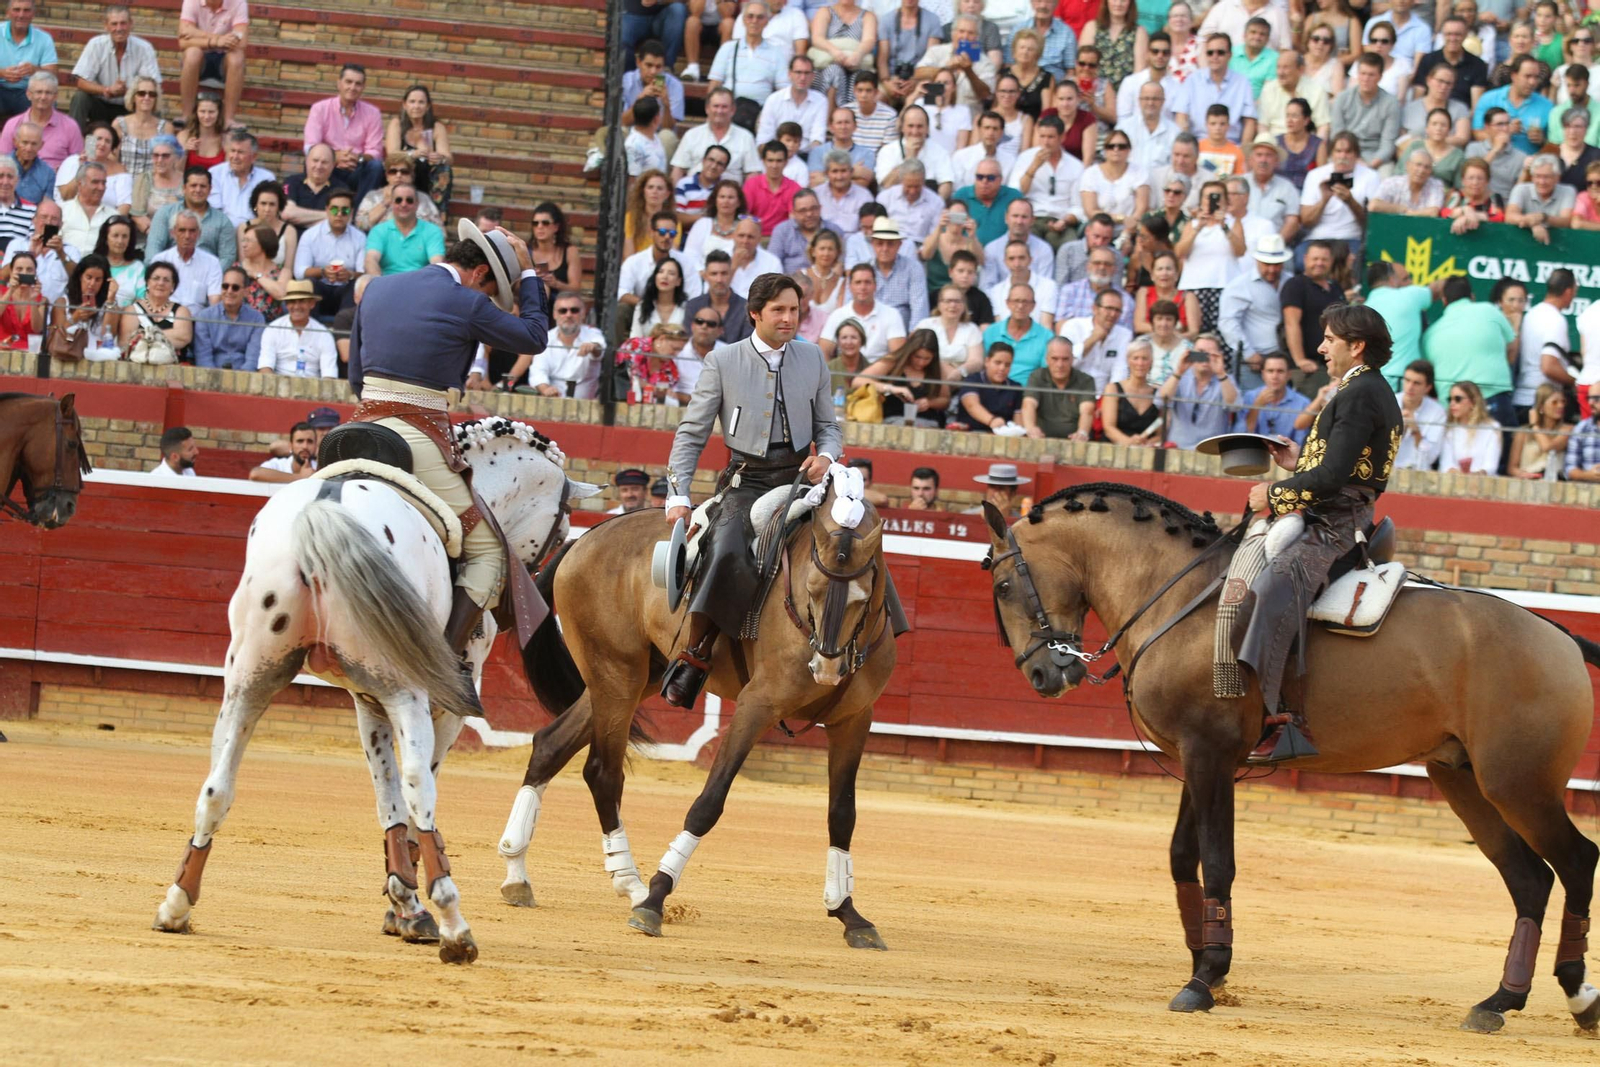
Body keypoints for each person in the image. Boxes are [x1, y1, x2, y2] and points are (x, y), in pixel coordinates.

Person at [347, 220, 547, 712]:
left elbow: (354, 377)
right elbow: (534, 336)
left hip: (355, 428)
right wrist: (528, 274)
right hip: (417, 435)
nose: (489, 299)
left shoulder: (377, 287)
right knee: (487, 552)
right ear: (480, 273)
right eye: (491, 289)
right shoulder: (466, 301)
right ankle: (439, 665)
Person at [659, 272, 842, 706]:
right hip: (748, 481)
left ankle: (872, 640)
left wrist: (826, 456)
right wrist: (678, 494)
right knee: (725, 548)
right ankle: (696, 653)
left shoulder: (812, 357)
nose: (789, 318)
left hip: (802, 479)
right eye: (779, 310)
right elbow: (692, 433)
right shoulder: (723, 361)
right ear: (755, 313)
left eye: (794, 310)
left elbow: (828, 426)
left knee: (853, 536)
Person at [1236, 304, 1402, 762]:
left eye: (1330, 339)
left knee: (1271, 590)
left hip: (1335, 522)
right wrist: (1298, 463)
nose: (1321, 347)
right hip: (1339, 513)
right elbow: (1339, 467)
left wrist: (1275, 493)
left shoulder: (1359, 392)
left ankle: (1280, 719)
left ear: (1357, 345)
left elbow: (1331, 480)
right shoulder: (1364, 388)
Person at [1422, 275, 1516, 427]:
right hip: (1492, 398)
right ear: (1472, 296)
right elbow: (1512, 347)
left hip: (1453, 407)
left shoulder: (1429, 335)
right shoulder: (1489, 310)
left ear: (1444, 300)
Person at [1218, 233, 1290, 390]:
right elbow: (1227, 322)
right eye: (1267, 264)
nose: (1272, 269)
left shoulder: (1290, 281)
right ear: (1257, 261)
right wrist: (1248, 353)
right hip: (1254, 359)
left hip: (1285, 357)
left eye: (1277, 264)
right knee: (1253, 401)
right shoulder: (1239, 286)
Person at [303, 65, 385, 202]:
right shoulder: (320, 109)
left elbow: (375, 151)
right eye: (348, 82)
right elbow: (310, 146)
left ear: (363, 87)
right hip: (328, 167)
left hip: (356, 168)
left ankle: (360, 211)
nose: (353, 87)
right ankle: (314, 205)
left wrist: (356, 158)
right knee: (312, 161)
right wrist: (335, 157)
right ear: (339, 83)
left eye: (358, 84)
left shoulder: (373, 113)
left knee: (376, 166)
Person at [70, 5, 160, 130]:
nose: (119, 29)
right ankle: (73, 139)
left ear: (130, 24)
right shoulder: (96, 45)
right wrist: (106, 90)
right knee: (80, 97)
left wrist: (129, 90)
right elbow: (81, 82)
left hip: (131, 108)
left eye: (123, 23)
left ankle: (152, 140)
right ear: (106, 25)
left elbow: (153, 85)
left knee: (151, 101)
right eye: (114, 24)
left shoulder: (144, 48)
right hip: (100, 106)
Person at [1298, 132, 1375, 267]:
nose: (1342, 156)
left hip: (1351, 238)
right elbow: (1306, 221)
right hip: (1318, 238)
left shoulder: (1370, 176)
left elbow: (1370, 223)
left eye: (1348, 152)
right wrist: (1324, 200)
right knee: (1300, 261)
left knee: (1356, 264)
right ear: (1331, 154)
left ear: (1356, 155)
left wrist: (1350, 201)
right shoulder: (1315, 175)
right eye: (1338, 151)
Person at [1513, 268, 1577, 425]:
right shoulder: (1555, 320)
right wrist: (1575, 382)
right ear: (1568, 291)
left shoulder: (1531, 314)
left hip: (1521, 399)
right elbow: (1548, 366)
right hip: (1541, 403)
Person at [853, 328, 949, 426]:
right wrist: (891, 388)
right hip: (894, 419)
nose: (921, 362)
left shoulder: (937, 368)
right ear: (910, 351)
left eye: (927, 359)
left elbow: (945, 400)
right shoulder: (893, 361)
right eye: (917, 357)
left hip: (927, 421)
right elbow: (858, 381)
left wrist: (929, 403)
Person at [1174, 32, 1258, 145]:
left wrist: (1242, 151)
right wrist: (1187, 145)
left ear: (1229, 55)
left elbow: (1249, 121)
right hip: (1198, 144)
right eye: (1210, 53)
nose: (1215, 56)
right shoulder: (1192, 80)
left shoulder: (1242, 83)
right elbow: (1181, 116)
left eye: (1220, 52)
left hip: (1232, 145)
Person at [1158, 331, 1239, 447]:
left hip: (1212, 449)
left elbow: (1234, 406)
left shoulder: (1226, 379)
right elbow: (1162, 400)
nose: (1205, 358)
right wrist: (1179, 372)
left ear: (1219, 356)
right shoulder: (1179, 376)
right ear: (1191, 353)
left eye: (1211, 354)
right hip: (1178, 448)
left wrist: (1221, 373)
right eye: (1200, 353)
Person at [1363, 261, 1433, 387]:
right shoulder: (1410, 295)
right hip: (1406, 383)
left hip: (1373, 382)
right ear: (1392, 279)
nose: (1410, 282)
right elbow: (1439, 288)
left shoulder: (1362, 310)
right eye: (1406, 279)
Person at [177, 0, 247, 125]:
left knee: (237, 57)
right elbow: (183, 42)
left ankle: (228, 119)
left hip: (224, 59)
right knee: (192, 53)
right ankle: (187, 115)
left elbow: (242, 42)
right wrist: (216, 41)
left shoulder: (238, 2)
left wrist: (196, 33)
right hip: (200, 58)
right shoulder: (191, 1)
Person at [385, 85, 452, 211]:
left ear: (427, 106)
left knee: (444, 170)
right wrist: (413, 154)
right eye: (412, 102)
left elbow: (448, 158)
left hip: (428, 173)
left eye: (421, 102)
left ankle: (437, 213)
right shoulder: (397, 124)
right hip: (405, 171)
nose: (416, 106)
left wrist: (440, 158)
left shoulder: (437, 127)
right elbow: (392, 155)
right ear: (404, 104)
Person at [149, 166, 236, 263]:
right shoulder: (165, 213)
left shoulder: (222, 221)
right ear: (184, 188)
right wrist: (159, 270)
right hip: (170, 269)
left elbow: (227, 257)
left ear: (210, 189)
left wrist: (213, 271)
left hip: (207, 270)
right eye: (193, 185)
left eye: (203, 186)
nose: (198, 190)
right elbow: (153, 247)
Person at [819, 261, 905, 360]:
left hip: (879, 368)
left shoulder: (892, 314)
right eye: (858, 282)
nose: (863, 287)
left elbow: (897, 355)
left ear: (875, 286)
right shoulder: (838, 315)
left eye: (867, 282)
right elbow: (823, 351)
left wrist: (871, 370)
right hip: (845, 368)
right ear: (850, 287)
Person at [1473, 54, 1551, 156]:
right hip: (1495, 159)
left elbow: (1554, 144)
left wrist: (1542, 140)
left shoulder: (1547, 105)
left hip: (1530, 161)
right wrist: (1505, 132)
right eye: (1527, 76)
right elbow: (1477, 133)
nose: (1532, 82)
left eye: (1536, 77)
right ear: (1513, 76)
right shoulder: (1489, 99)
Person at [0, 72, 80, 169]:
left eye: (48, 93)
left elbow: (77, 163)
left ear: (55, 96)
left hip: (57, 177)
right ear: (29, 94)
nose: (43, 97)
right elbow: (3, 162)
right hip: (21, 176)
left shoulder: (70, 126)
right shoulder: (12, 124)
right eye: (38, 92)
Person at [190, 264, 263, 370]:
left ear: (246, 292)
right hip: (211, 376)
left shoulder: (256, 319)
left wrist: (240, 378)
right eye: (225, 286)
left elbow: (252, 360)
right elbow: (204, 359)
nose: (229, 291)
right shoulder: (204, 317)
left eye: (235, 287)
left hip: (244, 376)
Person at [363, 183, 444, 276]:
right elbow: (371, 260)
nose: (404, 204)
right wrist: (378, 281)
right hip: (386, 281)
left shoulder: (432, 231)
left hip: (419, 282)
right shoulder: (378, 231)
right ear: (392, 204)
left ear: (417, 204)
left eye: (409, 200)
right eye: (398, 200)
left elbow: (437, 263)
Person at [1022, 335, 1095, 439]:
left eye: (1065, 359)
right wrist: (1031, 428)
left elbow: (1087, 411)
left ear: (1072, 359)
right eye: (1054, 359)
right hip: (1041, 438)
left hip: (1074, 441)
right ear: (1047, 359)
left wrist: (1082, 433)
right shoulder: (1037, 377)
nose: (1060, 365)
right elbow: (1029, 404)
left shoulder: (1086, 381)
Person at [1, 199, 74, 303]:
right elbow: (3, 276)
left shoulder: (70, 250)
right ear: (34, 220)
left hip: (55, 310)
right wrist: (30, 255)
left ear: (61, 224)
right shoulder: (17, 244)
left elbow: (77, 279)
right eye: (44, 217)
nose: (48, 222)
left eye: (54, 219)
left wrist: (61, 253)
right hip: (21, 307)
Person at [150, 209, 222, 314]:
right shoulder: (160, 260)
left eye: (192, 231)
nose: (187, 236)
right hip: (164, 317)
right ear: (173, 233)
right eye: (182, 230)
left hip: (197, 320)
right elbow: (152, 297)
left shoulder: (212, 263)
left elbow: (215, 302)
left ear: (199, 233)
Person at [116, 259, 192, 355]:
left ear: (173, 286)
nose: (161, 283)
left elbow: (184, 337)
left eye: (166, 280)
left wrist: (143, 336)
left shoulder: (181, 311)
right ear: (147, 282)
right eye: (156, 278)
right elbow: (125, 342)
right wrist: (166, 338)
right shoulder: (132, 310)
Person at [982, 282, 1053, 383]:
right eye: (1016, 301)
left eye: (1025, 302)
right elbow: (983, 366)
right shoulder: (991, 332)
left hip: (1028, 390)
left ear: (1033, 306)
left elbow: (1046, 373)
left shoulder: (1047, 337)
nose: (1020, 306)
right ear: (1007, 303)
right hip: (994, 388)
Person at [1413, 16, 1491, 108]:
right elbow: (1418, 96)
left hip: (1462, 114)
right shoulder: (1428, 60)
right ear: (1442, 35)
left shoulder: (1478, 65)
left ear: (1466, 35)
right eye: (1448, 34)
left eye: (1457, 34)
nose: (1453, 38)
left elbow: (1476, 105)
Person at [1234, 351, 1309, 442]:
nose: (1275, 376)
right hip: (1254, 449)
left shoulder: (1302, 403)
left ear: (1289, 375)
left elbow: (1301, 442)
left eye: (1280, 371)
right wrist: (1256, 406)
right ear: (1263, 374)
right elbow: (1239, 436)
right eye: (1270, 371)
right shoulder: (1250, 397)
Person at [0, 1, 55, 123]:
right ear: (8, 13)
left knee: (45, 99)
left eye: (26, 10)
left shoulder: (44, 38)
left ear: (33, 14)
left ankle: (45, 135)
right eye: (16, 10)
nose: (21, 15)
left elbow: (52, 75)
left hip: (28, 92)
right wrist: (2, 73)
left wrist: (35, 71)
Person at [952, 341, 1023, 431]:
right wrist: (992, 421)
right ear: (987, 361)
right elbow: (972, 405)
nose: (1002, 368)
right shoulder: (972, 380)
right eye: (998, 363)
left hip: (1003, 435)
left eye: (1007, 365)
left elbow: (1018, 419)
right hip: (970, 433)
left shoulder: (1015, 387)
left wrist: (1017, 431)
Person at [1508, 383, 1571, 480]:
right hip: (1527, 480)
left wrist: (1535, 426)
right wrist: (1524, 474)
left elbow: (1548, 447)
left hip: (1554, 482)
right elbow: (1512, 467)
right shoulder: (1523, 432)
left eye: (1563, 402)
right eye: (1554, 402)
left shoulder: (1568, 430)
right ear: (1541, 407)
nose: (1560, 406)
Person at [1506, 154, 1577, 240]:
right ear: (1532, 178)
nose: (1542, 182)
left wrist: (1544, 217)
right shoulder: (1521, 189)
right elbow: (1510, 216)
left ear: (1557, 178)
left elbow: (1566, 221)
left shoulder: (1568, 191)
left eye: (1547, 177)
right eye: (1538, 176)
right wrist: (1533, 223)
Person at [1440, 379, 1503, 473]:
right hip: (1455, 480)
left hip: (1484, 481)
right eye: (1450, 399)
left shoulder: (1493, 427)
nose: (1452, 404)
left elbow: (1490, 467)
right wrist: (1460, 475)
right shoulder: (1450, 429)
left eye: (1457, 399)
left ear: (1473, 402)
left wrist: (1473, 477)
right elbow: (1446, 465)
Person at [917, 283, 984, 372]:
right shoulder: (925, 325)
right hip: (929, 374)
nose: (953, 305)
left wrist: (959, 373)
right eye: (948, 301)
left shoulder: (972, 329)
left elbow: (976, 361)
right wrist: (945, 369)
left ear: (964, 305)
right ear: (939, 304)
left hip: (962, 377)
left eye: (957, 301)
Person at [1392, 359, 1445, 471]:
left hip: (1418, 474)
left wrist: (1416, 432)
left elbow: (1431, 458)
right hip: (1386, 471)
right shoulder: (1389, 402)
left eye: (1416, 383)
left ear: (1428, 388)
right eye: (1407, 380)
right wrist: (1397, 429)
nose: (1410, 387)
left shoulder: (1438, 412)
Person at [112, 76, 170, 179]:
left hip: (153, 185)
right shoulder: (119, 124)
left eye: (152, 94)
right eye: (141, 93)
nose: (147, 97)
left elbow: (169, 164)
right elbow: (112, 160)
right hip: (125, 183)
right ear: (133, 97)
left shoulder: (166, 128)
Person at [1370, 150, 1447, 215]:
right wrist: (1402, 209)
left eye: (1427, 167)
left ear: (1431, 171)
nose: (1421, 170)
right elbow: (1373, 206)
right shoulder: (1392, 183)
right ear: (1408, 165)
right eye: (1418, 165)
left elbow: (1433, 212)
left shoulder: (1436, 185)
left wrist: (1410, 213)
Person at [92, 213, 141, 305]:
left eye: (125, 236)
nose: (120, 241)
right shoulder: (92, 263)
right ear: (105, 238)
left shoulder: (138, 267)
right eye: (115, 235)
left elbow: (142, 301)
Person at [249, 421, 319, 484]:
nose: (305, 446)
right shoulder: (279, 465)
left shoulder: (319, 469)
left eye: (310, 441)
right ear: (291, 446)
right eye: (300, 441)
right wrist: (301, 477)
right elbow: (255, 474)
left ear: (315, 446)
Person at [0, 246, 42, 346]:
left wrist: (33, 300)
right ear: (11, 272)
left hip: (28, 350)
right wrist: (10, 291)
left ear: (35, 273)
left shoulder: (41, 299)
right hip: (2, 347)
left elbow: (37, 328)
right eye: (19, 269)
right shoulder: (1, 292)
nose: (24, 273)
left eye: (29, 270)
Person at [963, 461, 1029, 516]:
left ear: (1012, 493)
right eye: (992, 486)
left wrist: (1005, 519)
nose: (996, 492)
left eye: (1002, 488)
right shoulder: (968, 516)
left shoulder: (1020, 523)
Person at [179, 91, 224, 170]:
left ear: (219, 113)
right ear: (196, 112)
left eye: (211, 112)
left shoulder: (226, 139)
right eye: (202, 111)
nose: (206, 116)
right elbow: (176, 170)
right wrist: (185, 151)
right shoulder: (184, 136)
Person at [9, 118, 50, 203]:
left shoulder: (48, 174)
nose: (29, 149)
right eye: (25, 143)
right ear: (15, 142)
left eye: (34, 144)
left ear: (41, 145)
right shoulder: (2, 166)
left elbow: (47, 205)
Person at [1567, 384, 1600, 482]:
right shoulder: (1581, 428)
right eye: (1589, 398)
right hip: (1588, 489)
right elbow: (1570, 468)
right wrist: (1587, 475)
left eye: (1596, 399)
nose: (1590, 403)